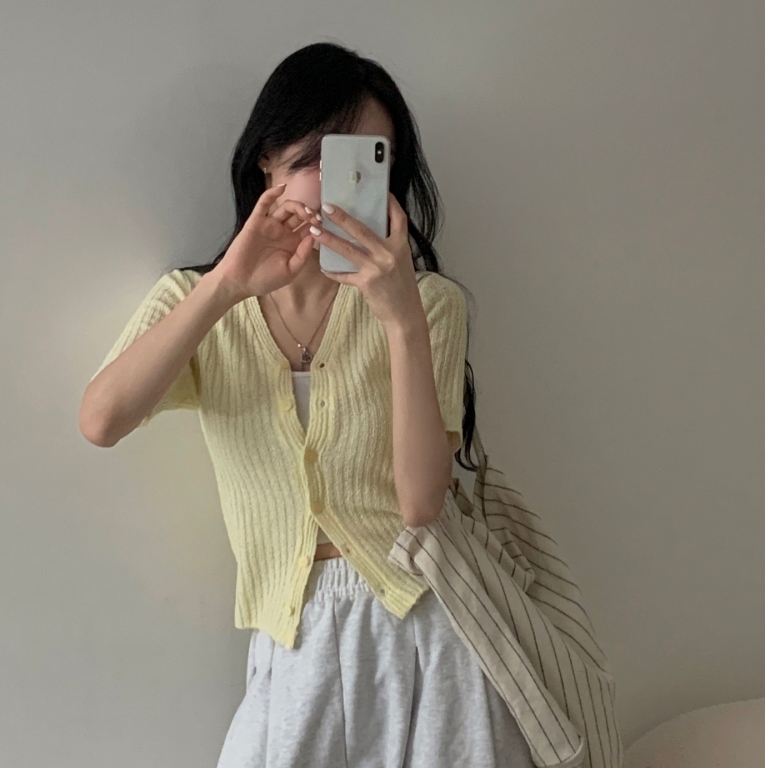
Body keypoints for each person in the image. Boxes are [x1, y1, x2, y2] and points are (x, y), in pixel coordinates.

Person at [81, 41, 534, 767]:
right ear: (268, 158)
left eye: (368, 158)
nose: (339, 181)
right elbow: (102, 420)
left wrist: (400, 320)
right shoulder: (197, 302)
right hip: (290, 636)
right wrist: (227, 285)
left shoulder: (427, 305)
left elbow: (421, 502)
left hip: (427, 628)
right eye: (320, 154)